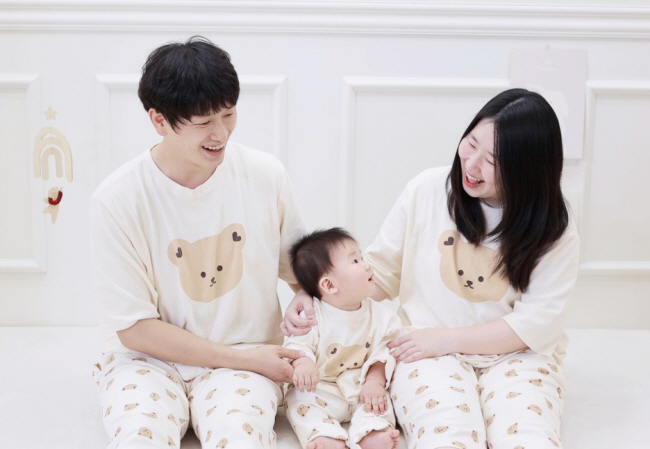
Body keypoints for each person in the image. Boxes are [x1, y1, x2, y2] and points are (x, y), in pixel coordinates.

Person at [283, 88, 580, 449]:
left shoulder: (553, 227)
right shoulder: (427, 190)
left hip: (519, 355)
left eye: (492, 160)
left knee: (528, 437)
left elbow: (536, 324)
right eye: (471, 143)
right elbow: (380, 274)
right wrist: (314, 294)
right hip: (424, 351)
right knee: (447, 433)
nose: (471, 165)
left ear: (527, 170)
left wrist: (448, 338)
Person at [90, 36, 308, 448]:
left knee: (239, 437)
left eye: (228, 114)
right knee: (140, 437)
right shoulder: (117, 199)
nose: (220, 133)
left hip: (247, 354)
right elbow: (134, 330)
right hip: (147, 362)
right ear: (159, 120)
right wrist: (242, 359)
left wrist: (305, 301)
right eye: (203, 122)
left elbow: (302, 276)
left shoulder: (266, 176)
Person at [283, 228, 403, 449]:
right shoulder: (312, 314)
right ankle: (324, 434)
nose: (366, 265)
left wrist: (374, 381)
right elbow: (296, 343)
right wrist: (303, 363)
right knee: (296, 399)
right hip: (321, 389)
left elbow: (386, 349)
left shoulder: (381, 316)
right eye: (355, 261)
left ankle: (372, 432)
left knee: (380, 402)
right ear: (329, 285)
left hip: (361, 388)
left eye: (362, 257)